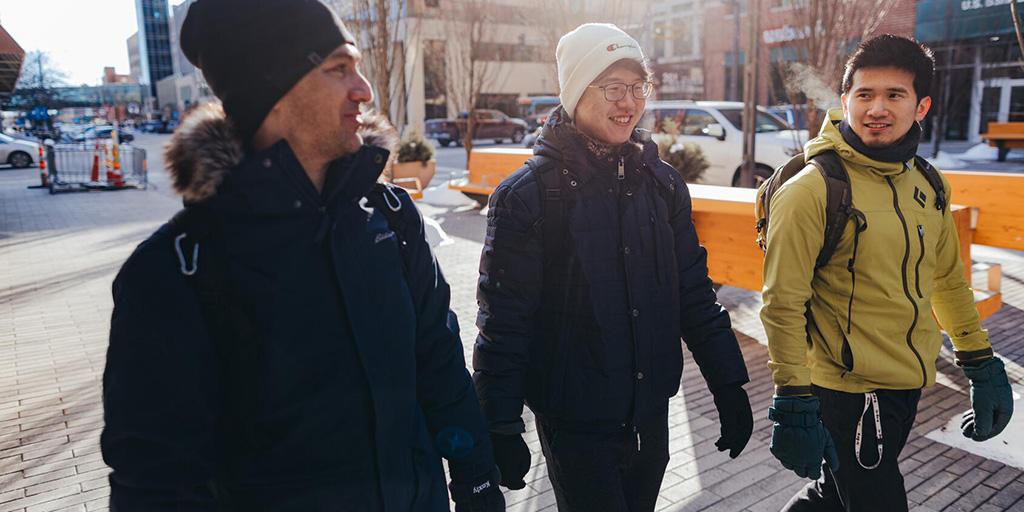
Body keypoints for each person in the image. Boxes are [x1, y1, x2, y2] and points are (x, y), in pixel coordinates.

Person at [100, 1, 503, 510]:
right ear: (269, 92)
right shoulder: (175, 271)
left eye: (357, 66)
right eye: (338, 69)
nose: (365, 90)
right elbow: (157, 480)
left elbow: (439, 363)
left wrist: (476, 476)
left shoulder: (390, 217)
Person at [473, 23, 753, 512]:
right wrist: (499, 421)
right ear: (576, 92)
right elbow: (504, 320)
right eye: (612, 88)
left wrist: (727, 382)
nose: (629, 102)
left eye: (637, 88)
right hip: (575, 422)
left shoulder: (662, 186)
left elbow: (693, 291)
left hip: (650, 414)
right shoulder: (528, 196)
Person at [760, 34, 1013, 511]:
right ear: (845, 101)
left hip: (904, 382)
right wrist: (792, 398)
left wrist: (980, 362)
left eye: (894, 95)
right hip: (847, 391)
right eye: (865, 94)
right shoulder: (813, 190)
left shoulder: (928, 181)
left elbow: (947, 280)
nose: (877, 107)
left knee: (832, 496)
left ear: (921, 106)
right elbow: (781, 302)